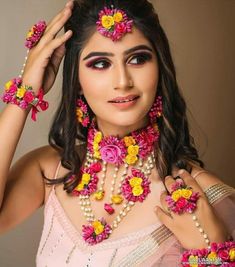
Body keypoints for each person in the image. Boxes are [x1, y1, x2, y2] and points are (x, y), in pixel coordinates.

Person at [0, 0, 234, 266]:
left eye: (138, 59)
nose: (123, 81)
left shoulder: (200, 195)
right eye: (100, 64)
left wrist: (211, 250)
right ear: (76, 80)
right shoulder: (50, 170)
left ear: (160, 67)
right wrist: (25, 93)